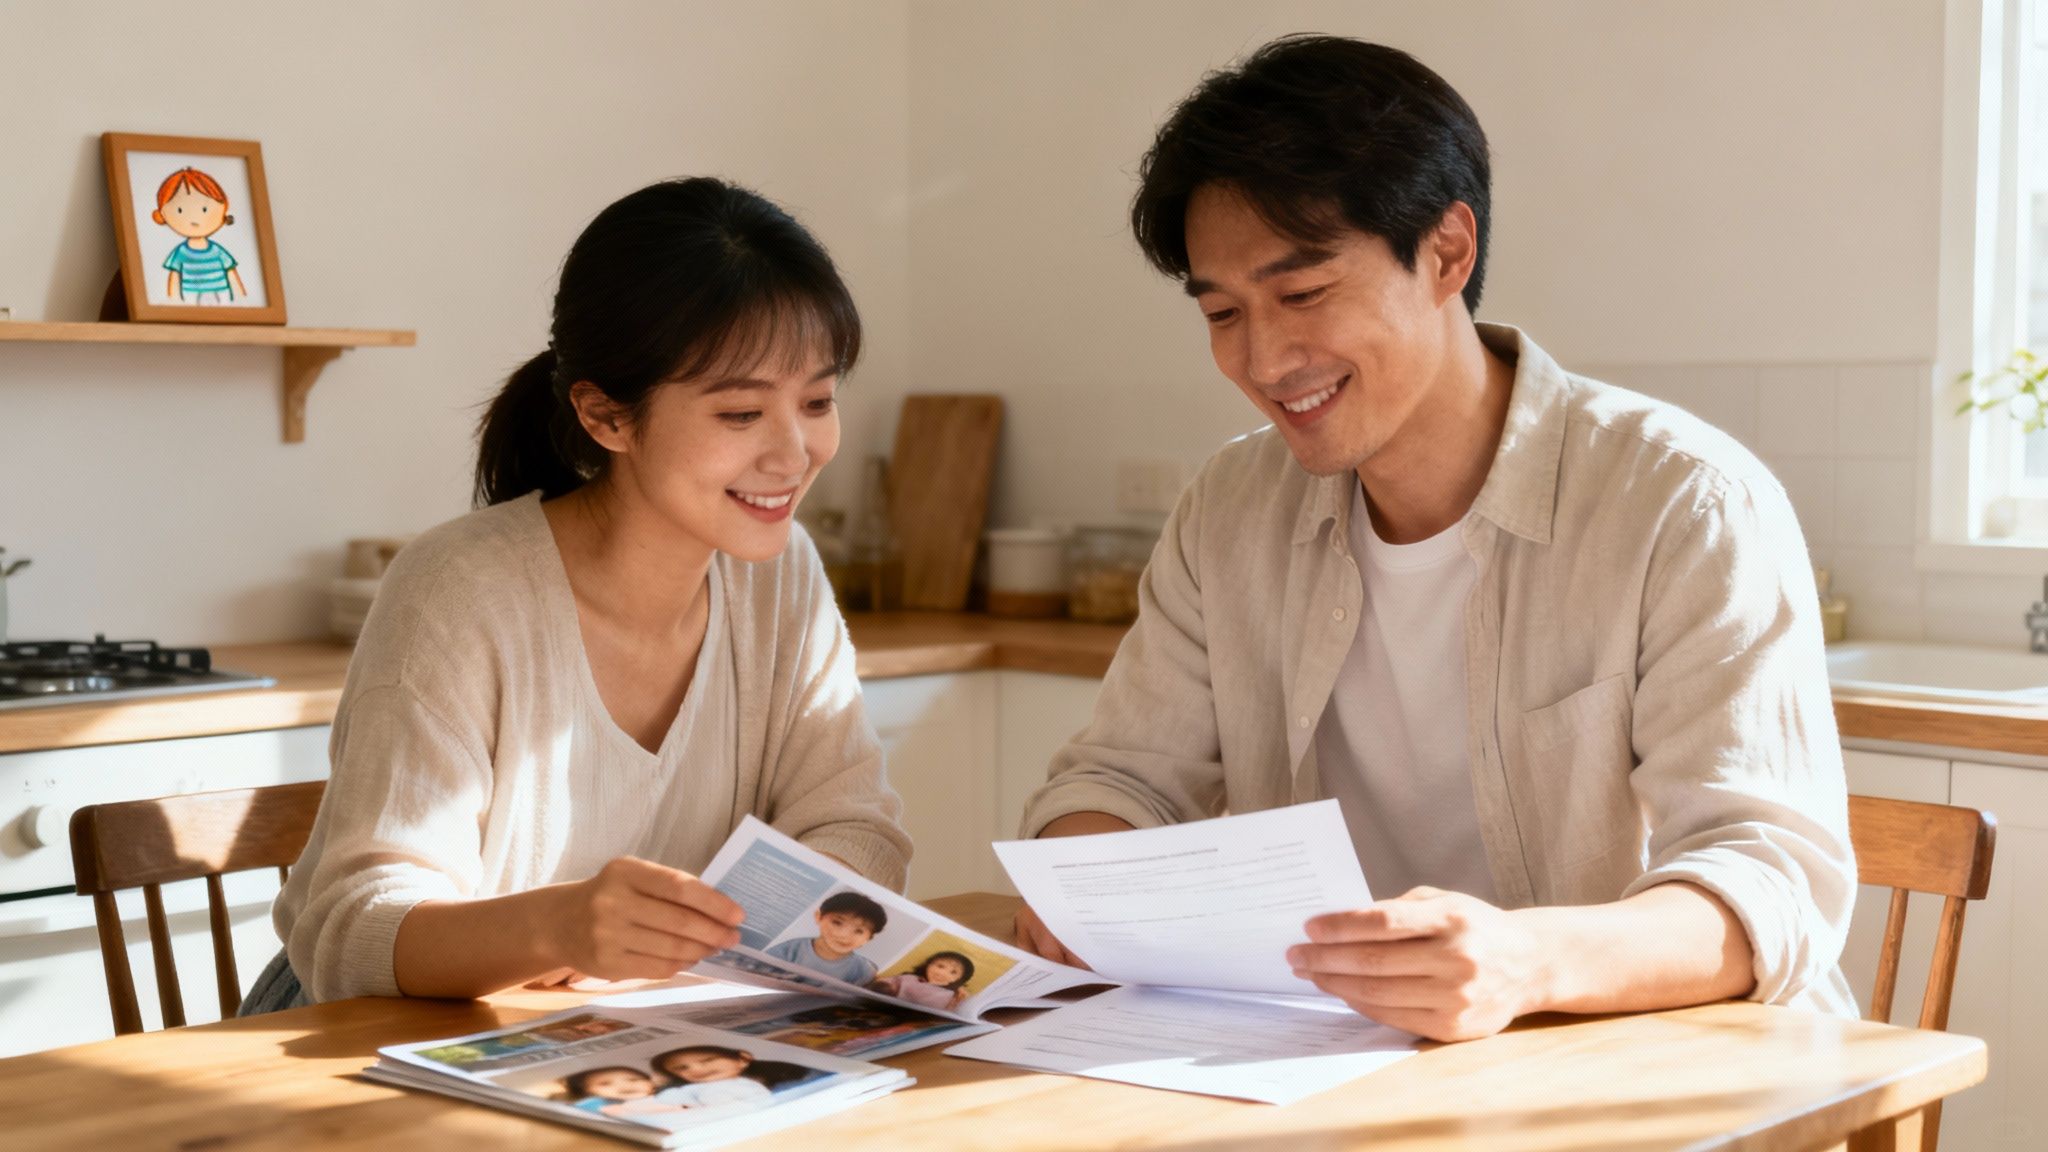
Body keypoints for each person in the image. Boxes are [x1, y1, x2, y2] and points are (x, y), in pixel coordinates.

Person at [1012, 35, 1856, 1042]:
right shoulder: (1231, 507)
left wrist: (1519, 962)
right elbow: (1122, 778)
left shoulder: (1682, 504)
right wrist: (1082, 879)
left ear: (1445, 253)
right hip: (1335, 1059)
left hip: (1636, 1073)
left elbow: (1763, 886)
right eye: (1222, 311)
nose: (1262, 357)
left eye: (1301, 293)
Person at [239, 177, 910, 1011]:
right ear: (607, 417)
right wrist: (562, 927)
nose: (794, 452)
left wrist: (732, 939)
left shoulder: (782, 573)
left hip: (639, 1036)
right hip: (377, 1045)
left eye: (817, 401)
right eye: (740, 414)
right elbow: (354, 931)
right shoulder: (457, 591)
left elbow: (855, 828)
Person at [151, 167, 248, 303]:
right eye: (180, 210)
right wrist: (173, 303)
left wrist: (243, 300)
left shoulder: (218, 251)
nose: (193, 218)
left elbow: (231, 274)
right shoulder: (181, 253)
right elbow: (174, 279)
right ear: (163, 215)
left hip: (222, 295)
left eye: (204, 209)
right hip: (191, 297)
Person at [763, 892, 887, 985]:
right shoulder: (790, 949)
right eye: (837, 922)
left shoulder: (863, 970)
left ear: (868, 938)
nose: (843, 934)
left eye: (859, 931)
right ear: (818, 917)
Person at [870, 950, 974, 1012]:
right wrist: (884, 985)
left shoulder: (951, 995)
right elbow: (887, 982)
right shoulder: (911, 978)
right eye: (940, 966)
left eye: (953, 972)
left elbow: (953, 1011)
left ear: (959, 979)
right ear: (928, 965)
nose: (942, 973)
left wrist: (959, 996)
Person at [561, 1066, 660, 1113]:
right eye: (605, 1083)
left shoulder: (663, 1097)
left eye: (633, 1079)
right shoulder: (596, 1103)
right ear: (587, 1091)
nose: (624, 1085)